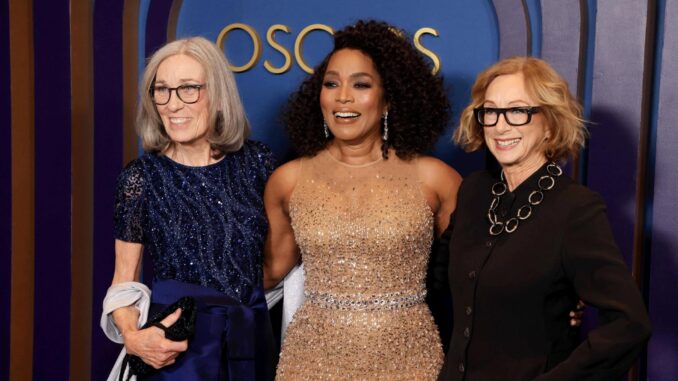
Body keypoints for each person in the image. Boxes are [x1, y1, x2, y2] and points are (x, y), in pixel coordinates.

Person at [263, 20, 462, 380]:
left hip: (408, 360)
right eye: (331, 83)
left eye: (361, 85)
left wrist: (552, 299)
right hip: (310, 362)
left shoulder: (435, 178)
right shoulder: (288, 180)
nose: (343, 97)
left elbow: (478, 274)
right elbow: (266, 274)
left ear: (387, 99)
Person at [438, 56, 651, 380]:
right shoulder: (474, 192)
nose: (500, 124)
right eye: (491, 111)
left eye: (518, 111)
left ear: (550, 122)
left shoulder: (575, 209)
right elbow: (436, 276)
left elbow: (630, 323)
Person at [100, 36, 275, 381]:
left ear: (219, 95)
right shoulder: (141, 177)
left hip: (250, 345)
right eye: (161, 90)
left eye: (188, 89)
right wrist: (135, 339)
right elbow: (123, 281)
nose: (171, 104)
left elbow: (283, 263)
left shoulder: (258, 163)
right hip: (178, 356)